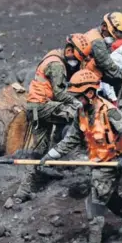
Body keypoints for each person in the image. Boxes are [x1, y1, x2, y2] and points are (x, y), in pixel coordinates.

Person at [41, 69, 122, 243]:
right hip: (99, 163)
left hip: (112, 163)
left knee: (94, 201)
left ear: (89, 93)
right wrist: (50, 155)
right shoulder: (82, 113)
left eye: (77, 96)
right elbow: (71, 139)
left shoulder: (109, 112)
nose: (74, 101)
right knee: (110, 197)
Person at [12, 34, 90, 203]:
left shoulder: (55, 55)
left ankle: (22, 192)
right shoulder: (57, 65)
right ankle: (76, 152)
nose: (78, 62)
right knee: (74, 112)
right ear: (69, 50)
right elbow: (59, 93)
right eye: (78, 58)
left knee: (38, 152)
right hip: (42, 106)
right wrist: (77, 102)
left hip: (36, 108)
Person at [83, 12, 122, 90]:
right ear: (104, 26)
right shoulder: (97, 41)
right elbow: (107, 64)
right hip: (84, 73)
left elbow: (109, 55)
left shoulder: (98, 33)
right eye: (112, 33)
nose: (114, 37)